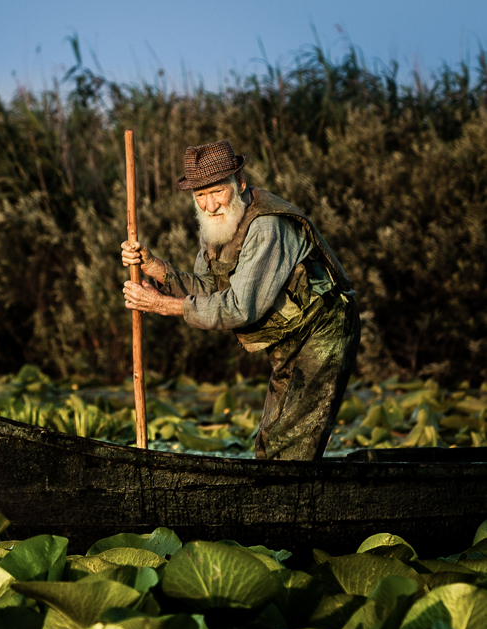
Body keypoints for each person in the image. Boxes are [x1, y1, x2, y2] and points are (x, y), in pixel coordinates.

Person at [121, 139, 360, 460]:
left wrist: (164, 305)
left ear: (240, 183)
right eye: (200, 195)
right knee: (270, 442)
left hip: (324, 332)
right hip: (289, 338)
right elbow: (209, 288)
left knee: (291, 447)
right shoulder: (216, 225)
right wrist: (157, 268)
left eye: (218, 191)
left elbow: (240, 307)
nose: (209, 205)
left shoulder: (267, 226)